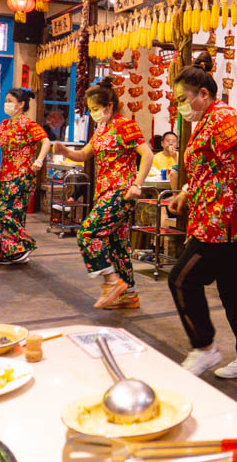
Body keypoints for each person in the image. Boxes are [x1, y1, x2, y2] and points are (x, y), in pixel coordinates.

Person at [166, 56, 237, 379]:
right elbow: (210, 169)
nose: (180, 106)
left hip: (222, 223)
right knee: (234, 291)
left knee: (182, 279)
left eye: (183, 99)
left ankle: (205, 348)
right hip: (214, 218)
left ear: (203, 95)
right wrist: (185, 192)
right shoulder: (206, 121)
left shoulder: (222, 116)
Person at [54, 78, 153, 309]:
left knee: (87, 233)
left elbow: (147, 154)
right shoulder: (101, 130)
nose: (94, 113)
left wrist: (137, 184)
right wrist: (65, 150)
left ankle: (111, 282)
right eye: (91, 110)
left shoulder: (123, 125)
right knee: (117, 245)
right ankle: (128, 295)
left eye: (96, 109)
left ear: (109, 106)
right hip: (105, 193)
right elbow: (84, 155)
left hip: (121, 192)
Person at [0, 87, 50, 265]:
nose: (7, 104)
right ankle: (10, 253)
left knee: (3, 213)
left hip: (22, 174)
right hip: (5, 175)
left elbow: (45, 141)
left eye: (10, 101)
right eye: (6, 100)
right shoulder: (4, 124)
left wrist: (39, 160)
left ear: (21, 104)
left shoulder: (28, 124)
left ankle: (22, 245)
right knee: (14, 214)